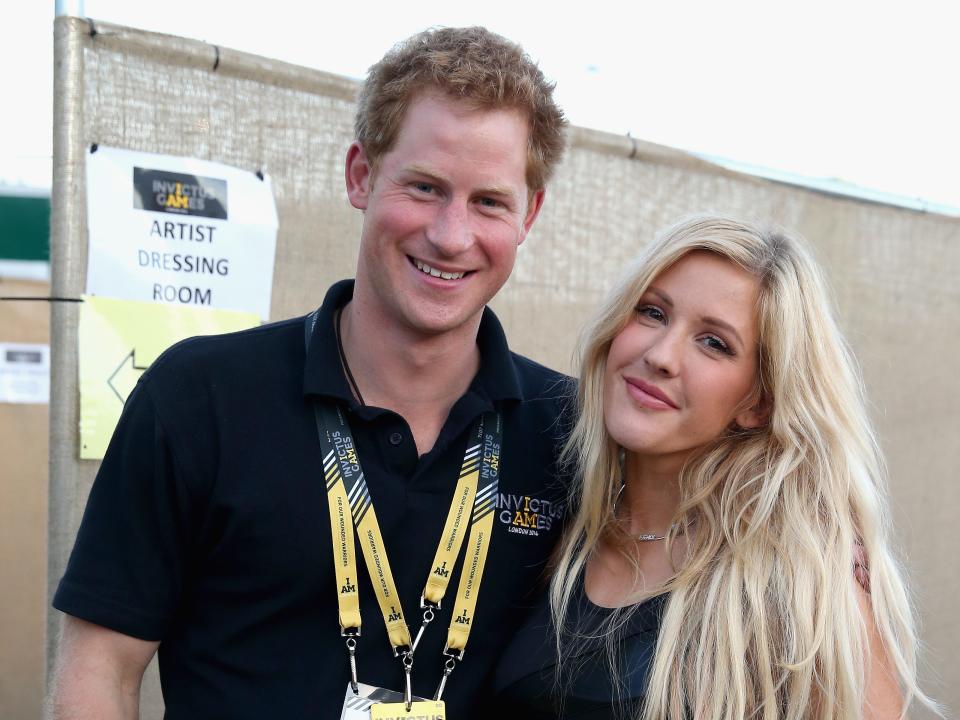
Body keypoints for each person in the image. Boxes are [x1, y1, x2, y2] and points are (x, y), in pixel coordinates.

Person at [51, 26, 569, 719]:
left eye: (489, 202)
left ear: (529, 213)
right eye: (424, 186)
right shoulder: (199, 397)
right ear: (361, 175)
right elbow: (100, 672)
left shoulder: (568, 432)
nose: (450, 234)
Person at [493, 216, 937, 719]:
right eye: (652, 312)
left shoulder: (803, 579)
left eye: (714, 343)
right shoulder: (559, 511)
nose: (660, 355)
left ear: (758, 401)